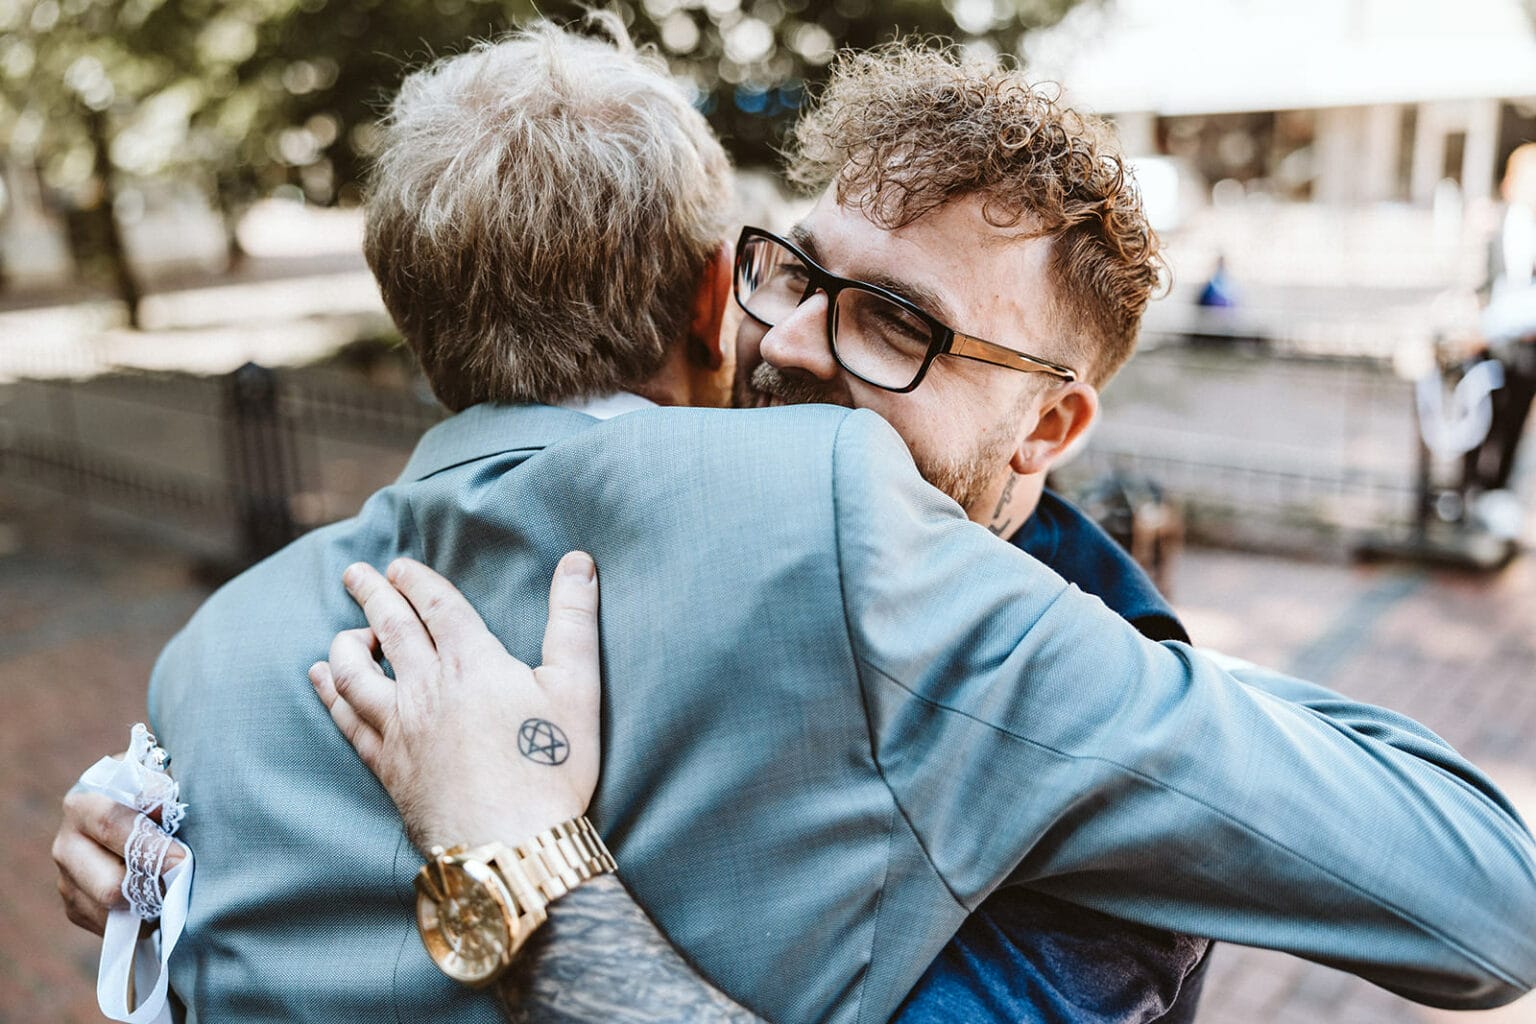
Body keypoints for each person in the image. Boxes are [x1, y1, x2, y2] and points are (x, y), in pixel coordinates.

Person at [53, 19, 1536, 1024]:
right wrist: (156, 877)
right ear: (723, 287)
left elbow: (1486, 906)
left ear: (1051, 427)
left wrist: (528, 873)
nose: (805, 346)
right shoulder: (789, 530)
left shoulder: (225, 652)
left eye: (896, 323)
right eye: (796, 274)